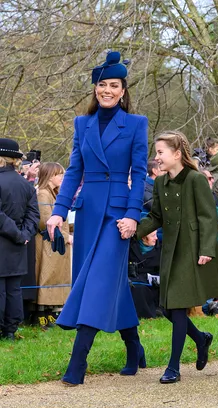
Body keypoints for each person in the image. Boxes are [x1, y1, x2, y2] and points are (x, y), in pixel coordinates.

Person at [45, 51, 149, 386]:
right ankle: (134, 347)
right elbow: (74, 171)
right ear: (95, 89)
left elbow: (140, 173)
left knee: (98, 282)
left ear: (123, 90)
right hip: (89, 213)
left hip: (118, 216)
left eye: (113, 85)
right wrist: (58, 212)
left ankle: (77, 363)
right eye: (101, 84)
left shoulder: (136, 124)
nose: (106, 90)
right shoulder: (82, 124)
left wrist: (134, 216)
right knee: (108, 285)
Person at [137, 131, 218, 384]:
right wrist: (134, 231)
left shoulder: (195, 180)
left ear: (177, 154)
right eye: (156, 152)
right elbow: (156, 216)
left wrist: (206, 249)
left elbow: (208, 216)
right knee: (168, 308)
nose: (156, 157)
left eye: (160, 152)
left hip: (191, 250)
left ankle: (173, 367)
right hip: (170, 251)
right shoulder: (160, 183)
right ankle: (201, 339)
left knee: (178, 308)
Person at [0, 138, 40, 341]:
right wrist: (24, 235)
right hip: (18, 245)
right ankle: (10, 330)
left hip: (5, 241)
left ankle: (5, 329)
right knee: (13, 288)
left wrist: (18, 234)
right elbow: (34, 215)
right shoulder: (26, 185)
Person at [34, 162, 72, 329]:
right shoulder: (43, 194)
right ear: (49, 175)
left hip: (57, 243)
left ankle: (50, 311)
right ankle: (40, 314)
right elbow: (44, 222)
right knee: (46, 276)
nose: (61, 178)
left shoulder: (56, 194)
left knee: (56, 277)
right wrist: (65, 237)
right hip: (48, 244)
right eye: (59, 174)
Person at [128, 230, 162, 318]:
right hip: (135, 280)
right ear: (143, 238)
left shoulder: (160, 249)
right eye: (153, 236)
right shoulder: (130, 247)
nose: (156, 238)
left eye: (156, 235)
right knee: (137, 288)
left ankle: (156, 310)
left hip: (155, 283)